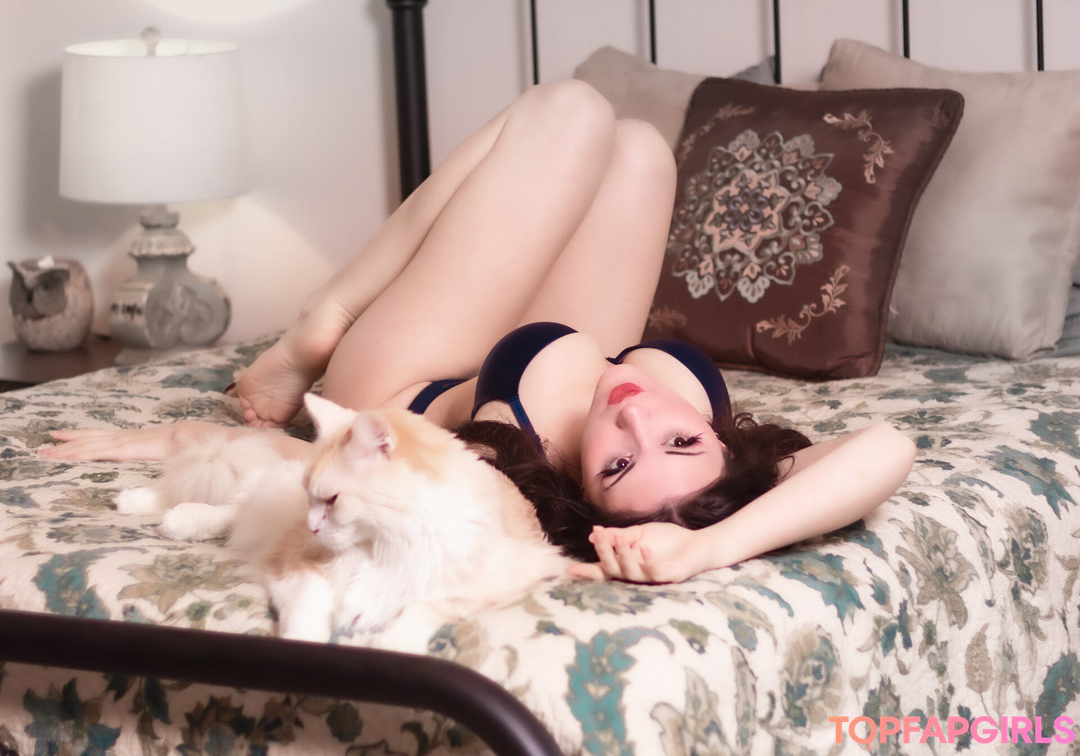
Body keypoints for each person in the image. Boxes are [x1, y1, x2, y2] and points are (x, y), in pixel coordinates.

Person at [40, 80, 916, 584]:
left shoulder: (517, 464)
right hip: (556, 345)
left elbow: (339, 474)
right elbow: (887, 445)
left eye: (616, 464)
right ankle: (326, 320)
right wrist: (711, 542)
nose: (634, 414)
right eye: (681, 437)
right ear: (722, 442)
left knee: (571, 109)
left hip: (405, 384)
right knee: (641, 146)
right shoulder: (734, 482)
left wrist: (169, 442)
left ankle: (319, 323)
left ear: (582, 486)